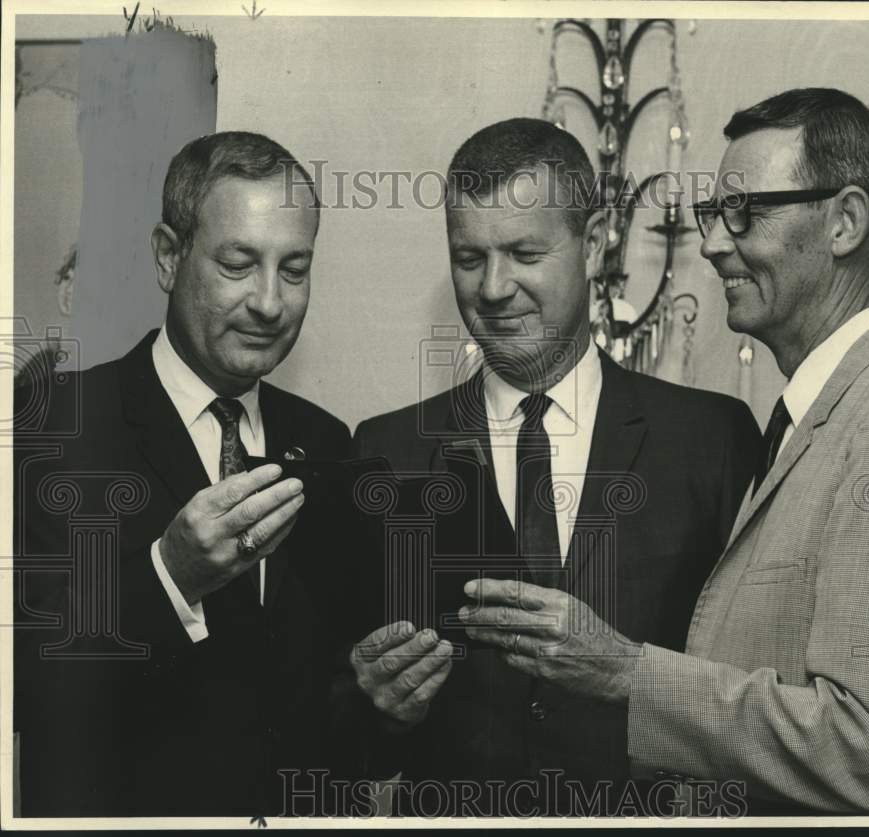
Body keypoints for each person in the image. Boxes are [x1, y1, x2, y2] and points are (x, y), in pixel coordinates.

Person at [458, 90, 869, 816]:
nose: (711, 243)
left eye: (746, 212)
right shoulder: (818, 417)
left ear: (847, 221)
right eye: (712, 214)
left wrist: (627, 672)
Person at [349, 117, 761, 816]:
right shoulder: (384, 450)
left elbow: (750, 690)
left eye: (523, 252)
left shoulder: (713, 438)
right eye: (468, 257)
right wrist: (375, 706)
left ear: (596, 240)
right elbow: (337, 721)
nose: (493, 286)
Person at [14, 131, 368, 816]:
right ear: (169, 257)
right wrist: (167, 575)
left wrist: (378, 699)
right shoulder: (49, 425)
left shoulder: (324, 440)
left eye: (294, 269)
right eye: (239, 264)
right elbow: (24, 688)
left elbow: (317, 697)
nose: (270, 302)